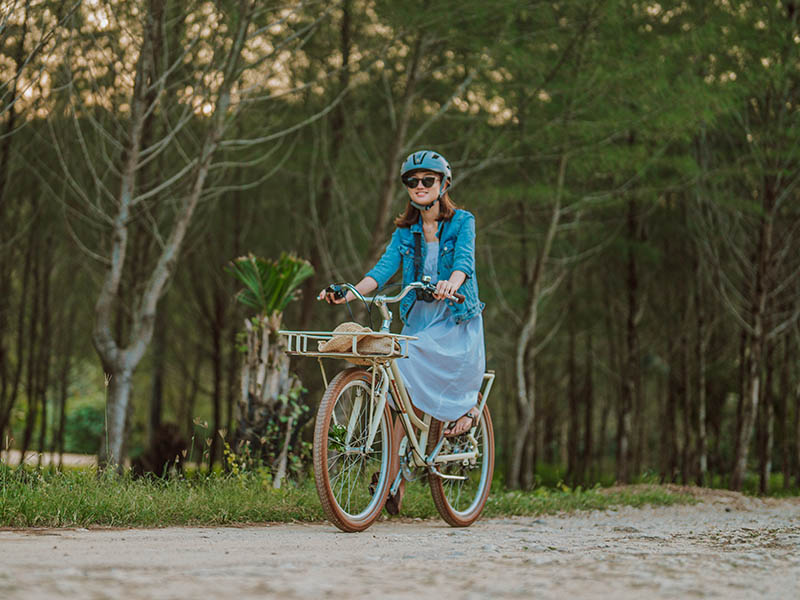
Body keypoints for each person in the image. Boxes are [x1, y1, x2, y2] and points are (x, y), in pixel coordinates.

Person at [318, 150, 486, 511]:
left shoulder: (462, 222)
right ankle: (393, 479)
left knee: (410, 366)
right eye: (413, 181)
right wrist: (349, 290)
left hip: (453, 316)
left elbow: (464, 264)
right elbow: (382, 272)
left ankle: (467, 412)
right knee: (397, 395)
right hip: (418, 317)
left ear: (443, 184)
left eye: (428, 180)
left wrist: (450, 284)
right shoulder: (405, 231)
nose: (420, 186)